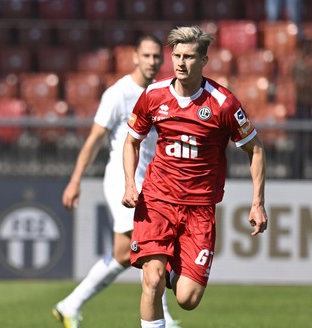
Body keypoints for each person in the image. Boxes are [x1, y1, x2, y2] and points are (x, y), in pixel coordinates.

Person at [122, 26, 268, 328]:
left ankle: (175, 269)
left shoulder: (223, 103)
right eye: (176, 55)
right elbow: (132, 141)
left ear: (204, 60)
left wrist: (257, 203)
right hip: (157, 200)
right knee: (151, 280)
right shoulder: (153, 95)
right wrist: (129, 184)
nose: (180, 62)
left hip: (199, 209)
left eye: (188, 57)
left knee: (188, 299)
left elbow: (255, 150)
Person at [52, 35, 181, 328]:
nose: (152, 62)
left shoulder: (163, 92)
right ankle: (166, 319)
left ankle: (69, 305)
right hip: (122, 181)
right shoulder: (118, 93)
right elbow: (95, 140)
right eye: (146, 56)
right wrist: (75, 181)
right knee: (149, 249)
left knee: (125, 255)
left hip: (152, 183)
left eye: (156, 57)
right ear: (134, 57)